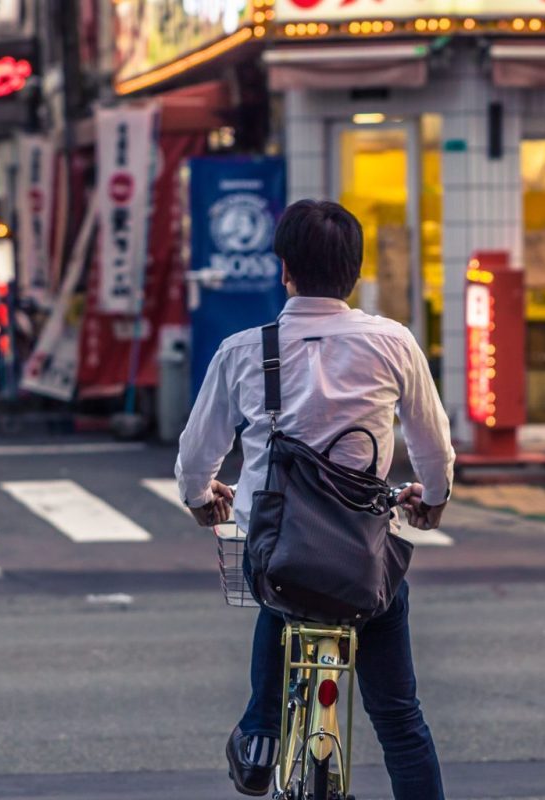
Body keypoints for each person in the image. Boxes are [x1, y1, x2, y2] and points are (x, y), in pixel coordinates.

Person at [175, 200, 455, 800]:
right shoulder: (393, 344)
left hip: (275, 557)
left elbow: (198, 454)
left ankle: (258, 732)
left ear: (285, 270)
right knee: (401, 721)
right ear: (353, 273)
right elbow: (433, 448)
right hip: (360, 562)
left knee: (277, 582)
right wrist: (431, 499)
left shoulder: (245, 350)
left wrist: (202, 499)